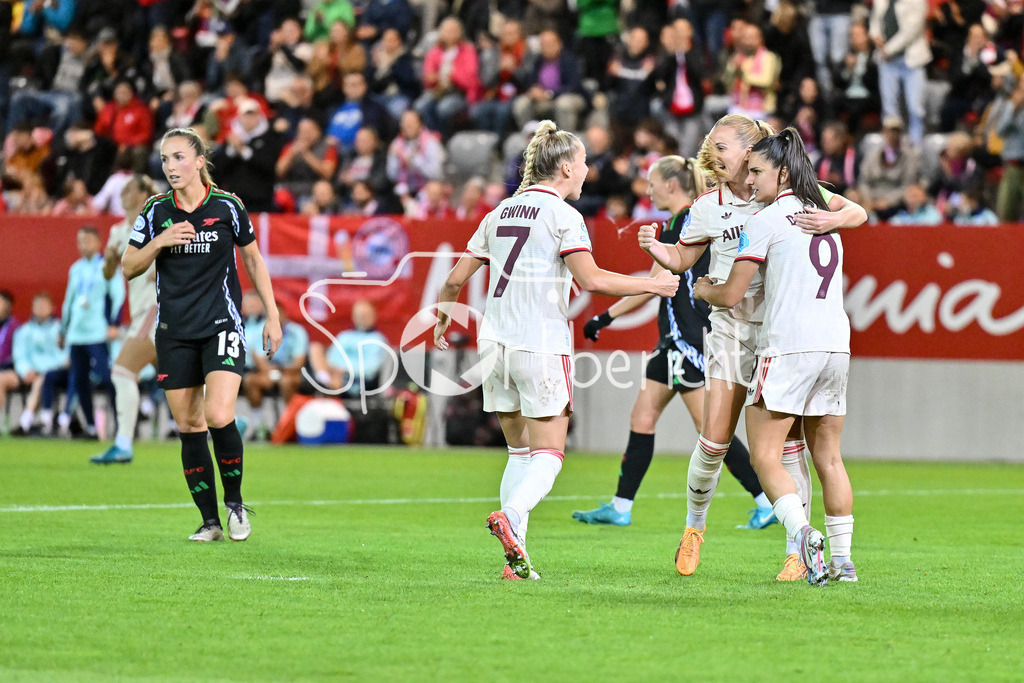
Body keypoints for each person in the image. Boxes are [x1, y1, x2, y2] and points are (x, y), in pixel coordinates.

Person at [433, 120, 681, 580]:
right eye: (584, 161)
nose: (587, 169)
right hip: (540, 343)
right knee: (549, 454)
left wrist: (445, 314)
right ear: (566, 167)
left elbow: (452, 279)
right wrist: (655, 283)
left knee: (518, 454)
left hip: (495, 344)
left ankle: (516, 561)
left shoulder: (501, 211)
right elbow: (593, 280)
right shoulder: (564, 216)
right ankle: (511, 516)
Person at [638, 113, 865, 581]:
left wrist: (836, 215)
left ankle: (796, 552)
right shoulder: (709, 205)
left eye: (722, 146)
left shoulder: (795, 196)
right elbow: (683, 256)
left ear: (752, 149)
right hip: (734, 333)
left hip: (779, 334)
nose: (712, 154)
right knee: (714, 439)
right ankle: (694, 528)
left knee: (787, 450)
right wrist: (660, 252)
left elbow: (858, 212)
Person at [572, 156, 776, 530]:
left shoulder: (683, 222)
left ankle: (767, 499)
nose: (648, 190)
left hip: (686, 342)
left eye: (652, 182)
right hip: (674, 342)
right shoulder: (691, 219)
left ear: (671, 185)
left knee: (712, 432)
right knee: (644, 417)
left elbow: (657, 283)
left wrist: (606, 316)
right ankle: (620, 505)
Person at [692, 127, 857, 586]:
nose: (752, 181)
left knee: (765, 455)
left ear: (782, 171)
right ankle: (844, 564)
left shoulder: (764, 221)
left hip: (788, 345)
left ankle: (803, 534)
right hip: (836, 346)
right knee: (828, 457)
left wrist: (704, 288)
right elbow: (856, 214)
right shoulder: (825, 213)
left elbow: (731, 294)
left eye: (759, 172)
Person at [122, 127, 282, 543]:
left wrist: (273, 314)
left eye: (178, 157)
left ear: (198, 161)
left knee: (218, 414)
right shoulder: (156, 210)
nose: (170, 166)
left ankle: (235, 506)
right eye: (164, 159)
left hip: (221, 325)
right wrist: (160, 241)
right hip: (174, 332)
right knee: (189, 425)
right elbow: (128, 265)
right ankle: (209, 522)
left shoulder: (228, 206)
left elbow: (253, 258)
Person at [90, 174, 160, 464]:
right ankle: (229, 423)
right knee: (181, 381)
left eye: (130, 188)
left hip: (155, 308)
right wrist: (108, 260)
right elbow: (108, 275)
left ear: (144, 193)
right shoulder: (119, 230)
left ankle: (123, 443)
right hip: (141, 309)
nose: (123, 193)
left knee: (122, 372)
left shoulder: (158, 221)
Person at [58, 225, 125, 439]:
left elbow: (119, 295)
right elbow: (69, 300)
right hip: (77, 333)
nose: (82, 245)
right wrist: (63, 329)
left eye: (87, 240)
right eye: (79, 241)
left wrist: (114, 323)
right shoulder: (75, 269)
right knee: (80, 381)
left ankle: (121, 424)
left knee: (107, 378)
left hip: (97, 333)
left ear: (98, 243)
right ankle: (90, 427)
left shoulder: (107, 266)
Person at [11, 293, 67, 435]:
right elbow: (20, 355)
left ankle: (27, 421)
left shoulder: (61, 330)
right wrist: (26, 371)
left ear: (52, 308)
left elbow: (65, 356)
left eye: (44, 305)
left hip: (55, 373)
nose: (40, 309)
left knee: (41, 380)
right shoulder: (24, 331)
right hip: (30, 373)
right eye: (37, 306)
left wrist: (43, 370)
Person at [309, 300, 389, 397]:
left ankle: (326, 386)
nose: (362, 318)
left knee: (337, 381)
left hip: (358, 381)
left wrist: (345, 370)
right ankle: (324, 380)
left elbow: (370, 369)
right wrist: (336, 369)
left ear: (374, 316)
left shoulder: (378, 339)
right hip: (335, 373)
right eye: (359, 315)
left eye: (365, 315)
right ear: (353, 317)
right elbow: (332, 358)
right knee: (315, 347)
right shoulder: (344, 336)